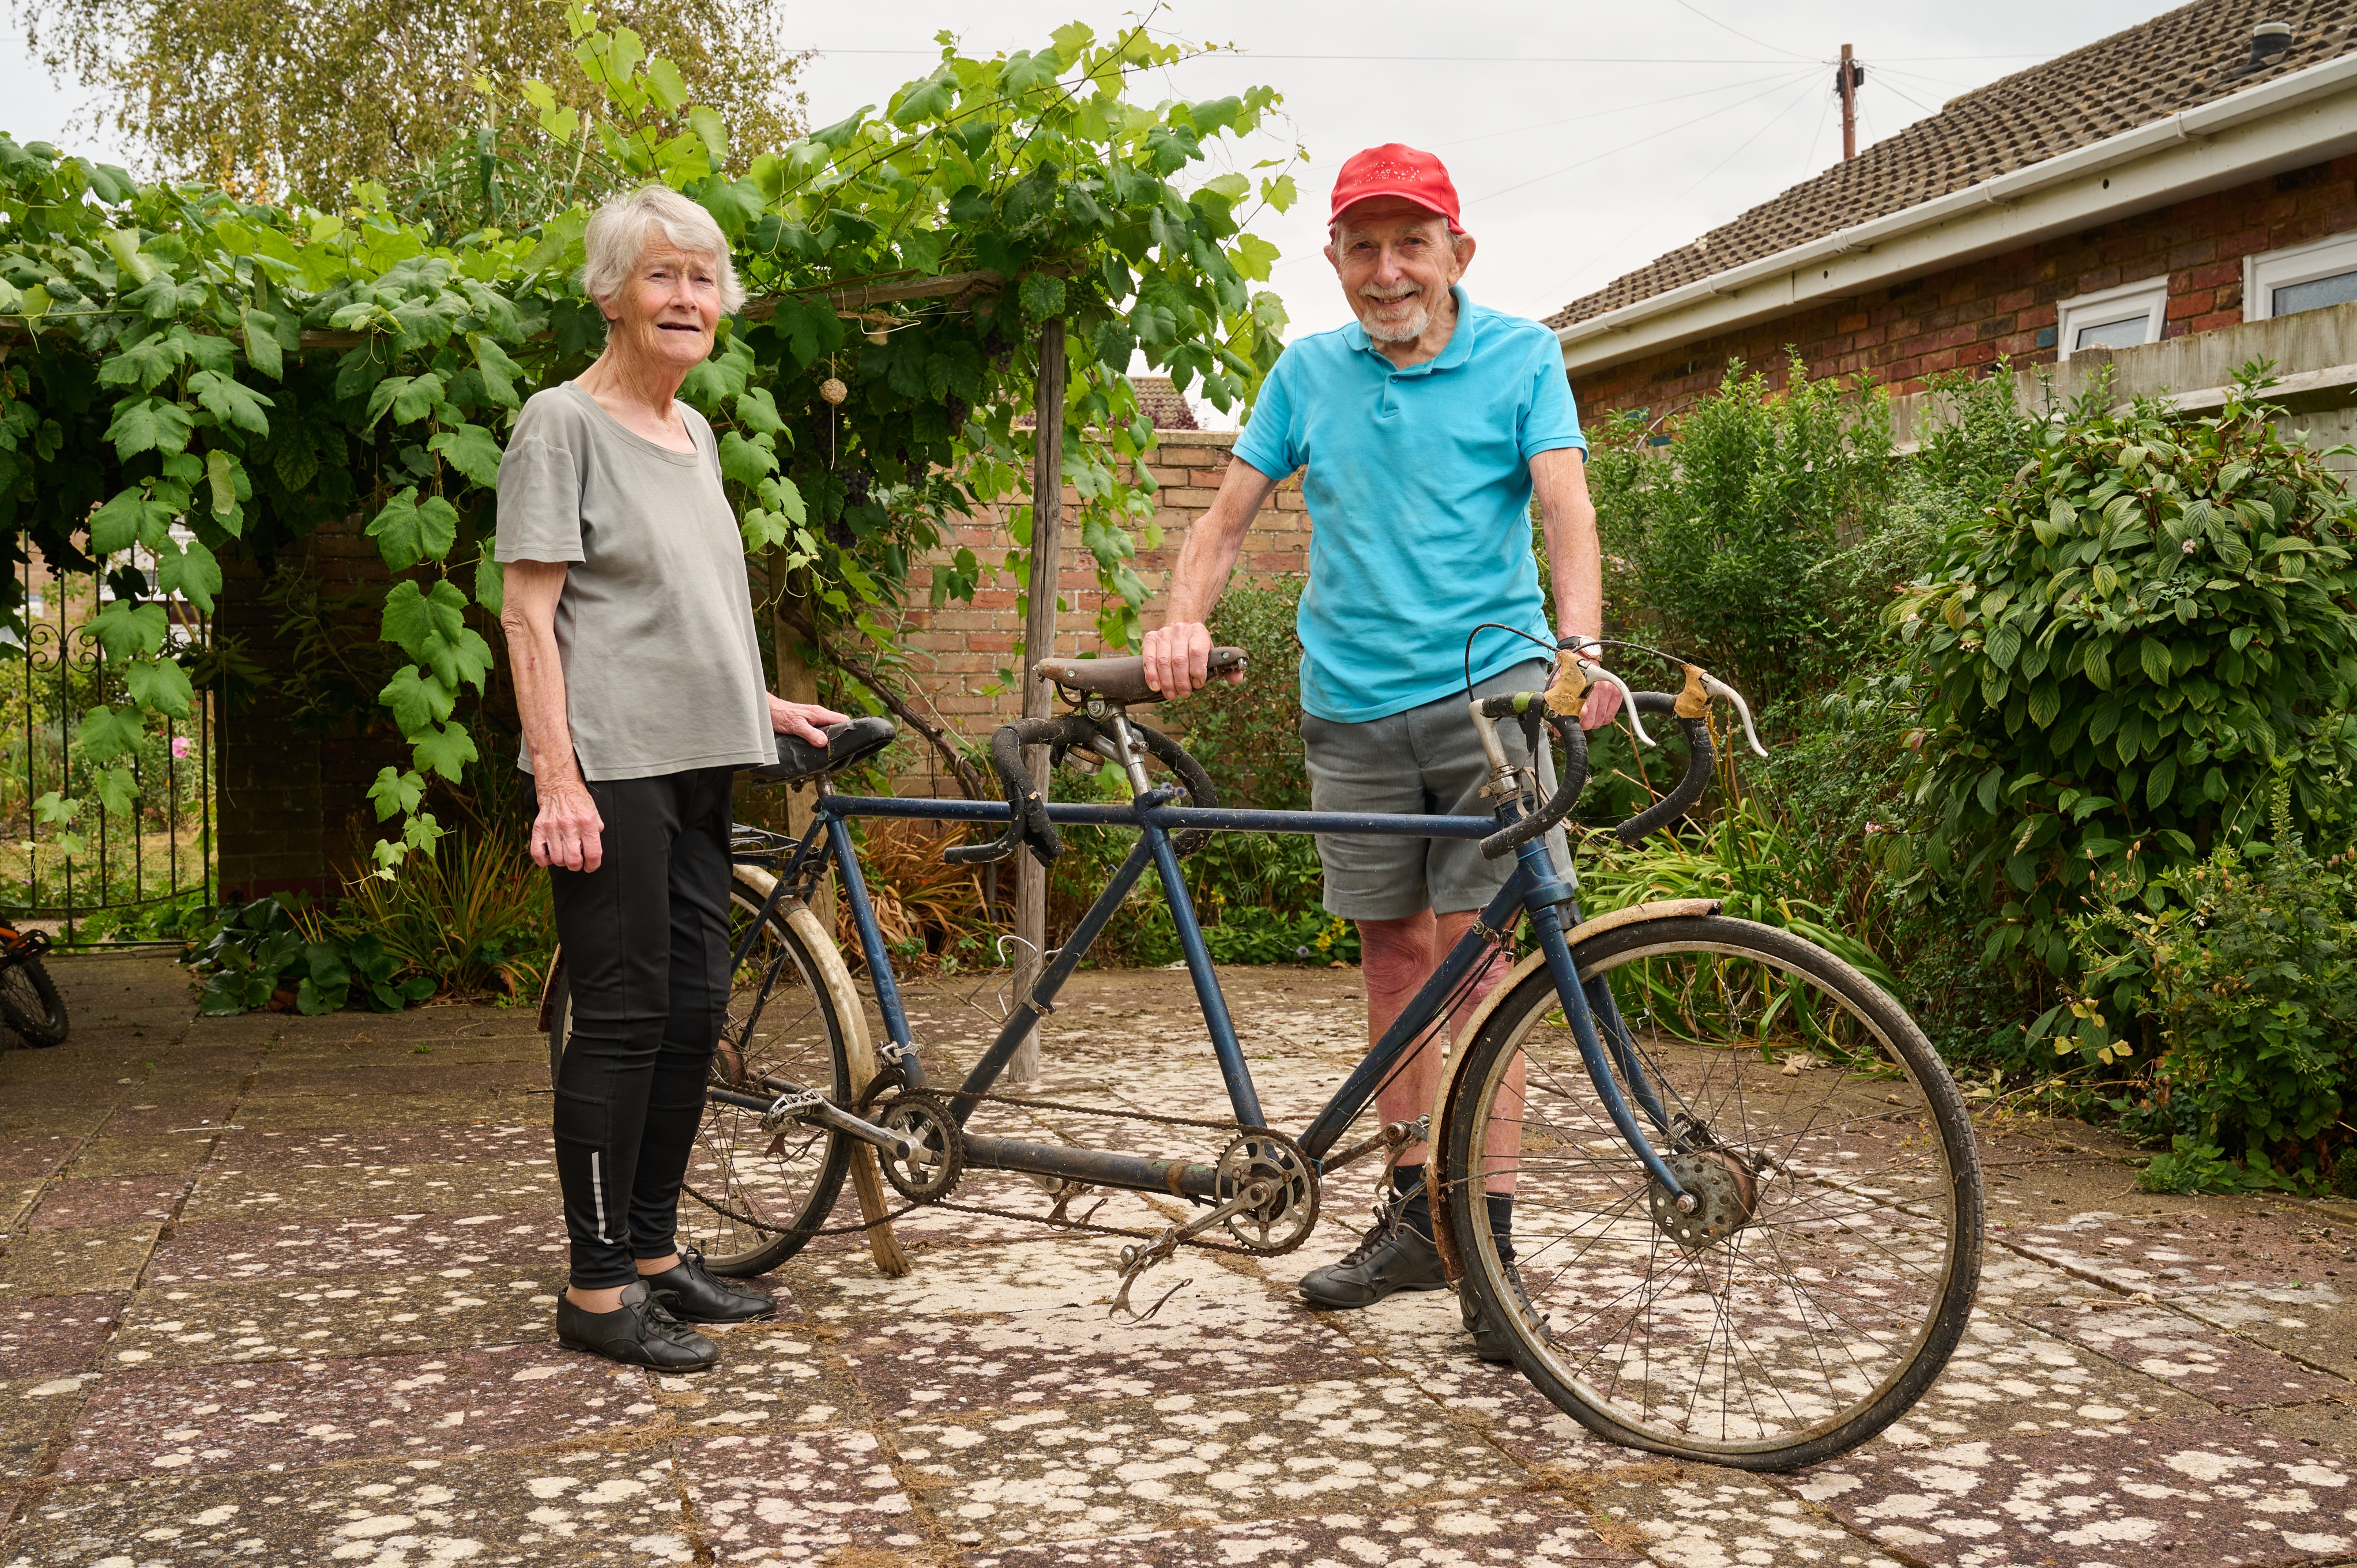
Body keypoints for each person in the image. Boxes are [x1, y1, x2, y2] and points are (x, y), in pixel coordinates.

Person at [1139, 144, 1624, 1360]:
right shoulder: (1308, 371)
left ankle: (1489, 1246)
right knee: (1395, 960)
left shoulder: (1521, 356)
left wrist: (1578, 648)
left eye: (1412, 243)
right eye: (1364, 245)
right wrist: (1184, 614)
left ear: (1458, 252)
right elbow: (1224, 518)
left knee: (1486, 971)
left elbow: (1566, 508)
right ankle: (1413, 1214)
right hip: (1350, 703)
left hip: (1491, 698)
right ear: (1336, 262)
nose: (1388, 268)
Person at [496, 186, 848, 1371]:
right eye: (661, 275)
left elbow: (672, 611)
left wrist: (758, 702)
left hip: (704, 756)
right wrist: (557, 779)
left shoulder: (690, 432)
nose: (687, 297)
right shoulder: (564, 422)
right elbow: (530, 613)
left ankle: (653, 1254)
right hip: (609, 772)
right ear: (611, 293)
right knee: (627, 1018)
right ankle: (596, 1292)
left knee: (696, 1012)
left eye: (702, 278)